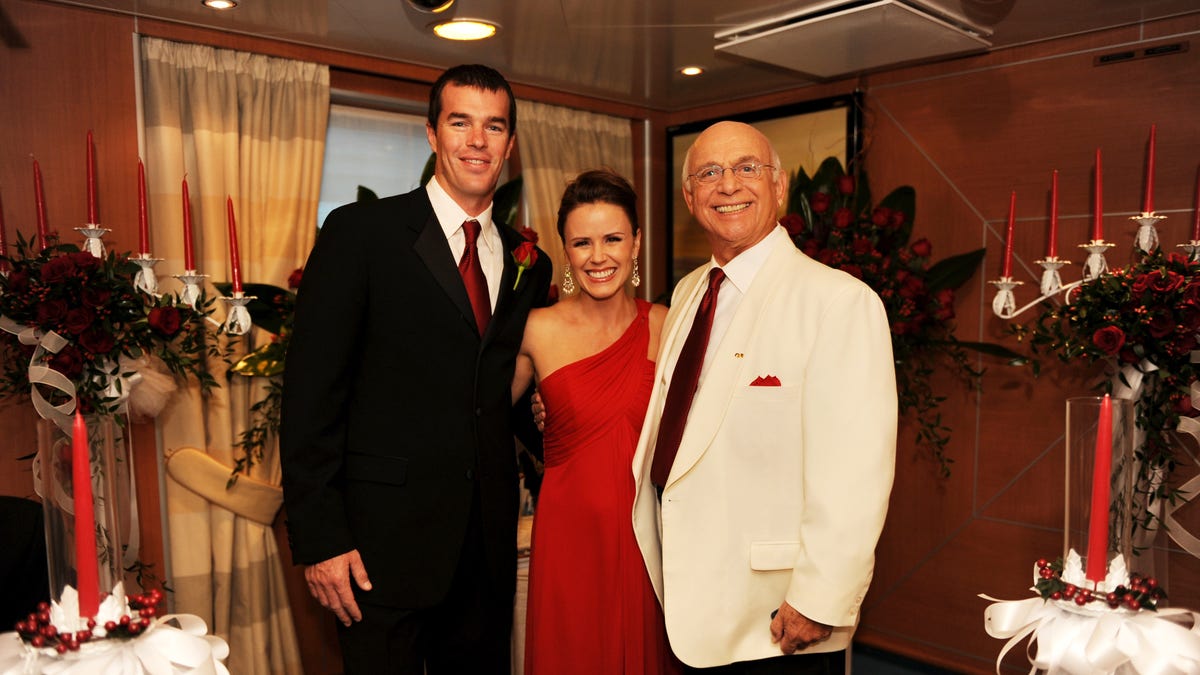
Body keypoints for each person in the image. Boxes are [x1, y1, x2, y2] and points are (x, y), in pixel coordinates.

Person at [280, 63, 552, 674]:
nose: (477, 141)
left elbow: (505, 389)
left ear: (510, 144)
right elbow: (310, 396)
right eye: (461, 123)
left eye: (494, 127)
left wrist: (551, 415)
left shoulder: (526, 262)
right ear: (433, 134)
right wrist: (323, 540)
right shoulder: (362, 233)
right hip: (379, 550)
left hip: (484, 551)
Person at [630, 121, 898, 674]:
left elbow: (857, 471)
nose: (728, 185)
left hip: (776, 617)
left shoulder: (839, 302)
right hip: (687, 599)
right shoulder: (687, 293)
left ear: (778, 188)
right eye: (709, 173)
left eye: (747, 168)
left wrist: (820, 597)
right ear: (689, 197)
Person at [511, 169, 674, 675]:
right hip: (569, 541)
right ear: (565, 251)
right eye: (582, 242)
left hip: (650, 541)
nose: (598, 257)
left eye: (613, 239)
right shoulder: (536, 329)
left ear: (637, 243)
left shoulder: (666, 324)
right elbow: (472, 417)